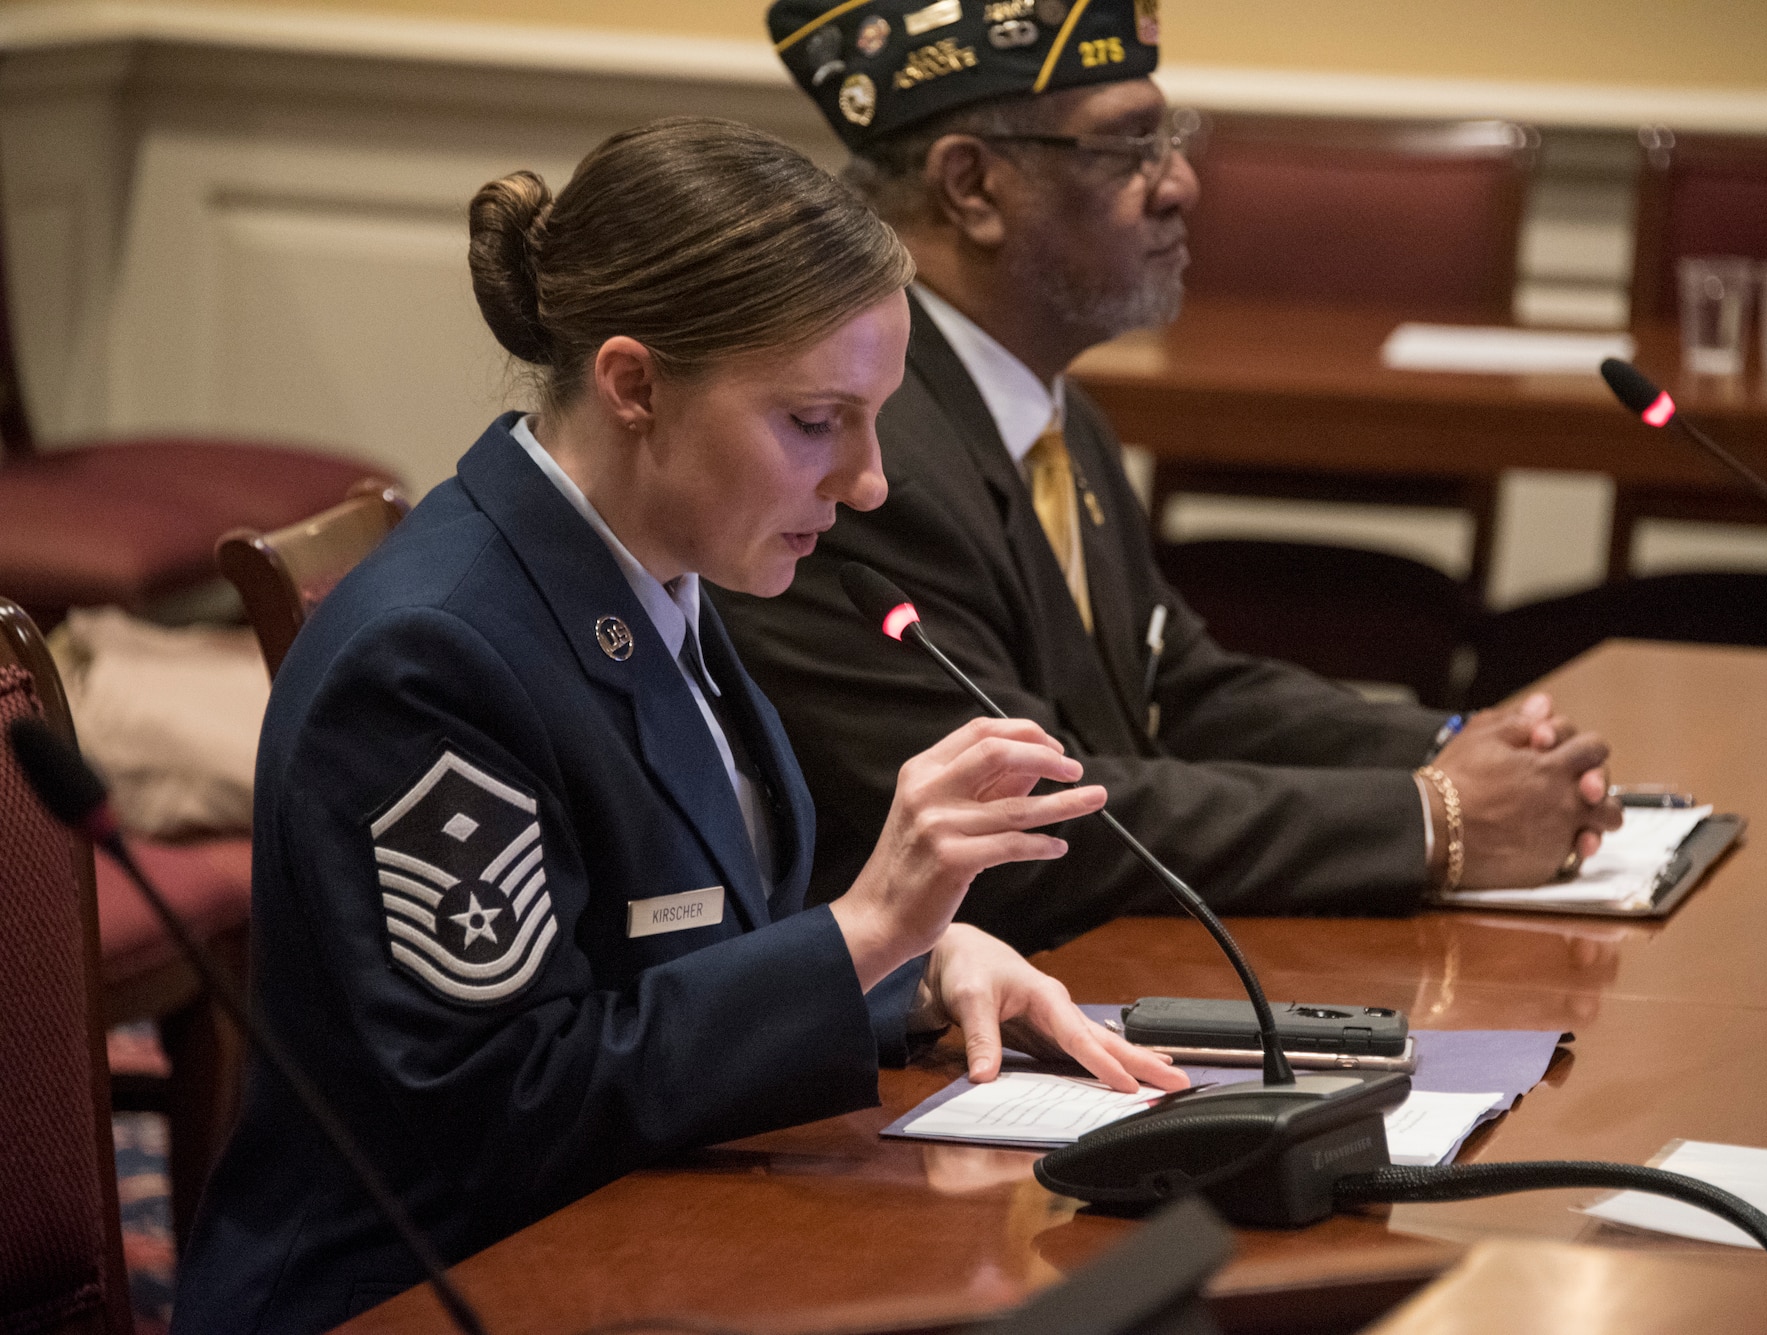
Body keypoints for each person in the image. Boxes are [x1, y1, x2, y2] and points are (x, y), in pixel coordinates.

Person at [171, 118, 1181, 1335]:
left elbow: (661, 967)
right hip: (426, 1290)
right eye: (815, 424)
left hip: (619, 1236)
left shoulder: (659, 573)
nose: (866, 483)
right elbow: (498, 1106)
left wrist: (915, 975)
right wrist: (861, 934)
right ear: (634, 384)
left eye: (874, 419)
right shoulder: (428, 659)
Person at [717, 0, 1623, 954]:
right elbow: (1023, 822)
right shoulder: (860, 463)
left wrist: (1458, 747)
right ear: (973, 186)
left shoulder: (1059, 422)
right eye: (1129, 146)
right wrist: (1431, 817)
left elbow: (1178, 686)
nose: (1181, 183)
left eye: (1170, 138)